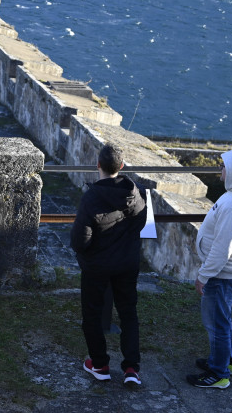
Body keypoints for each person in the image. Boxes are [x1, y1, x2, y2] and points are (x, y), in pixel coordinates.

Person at [70, 143, 147, 388]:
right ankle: (132, 368)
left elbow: (80, 240)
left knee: (92, 314)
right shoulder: (135, 194)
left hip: (98, 266)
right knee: (128, 313)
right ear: (121, 167)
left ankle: (100, 364)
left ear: (98, 165)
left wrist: (87, 254)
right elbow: (140, 225)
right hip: (126, 263)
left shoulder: (92, 197)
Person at [187, 148, 232, 389]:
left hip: (223, 274)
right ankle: (227, 361)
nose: (221, 169)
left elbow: (222, 249)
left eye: (225, 166)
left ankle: (219, 375)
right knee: (223, 317)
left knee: (216, 324)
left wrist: (203, 276)